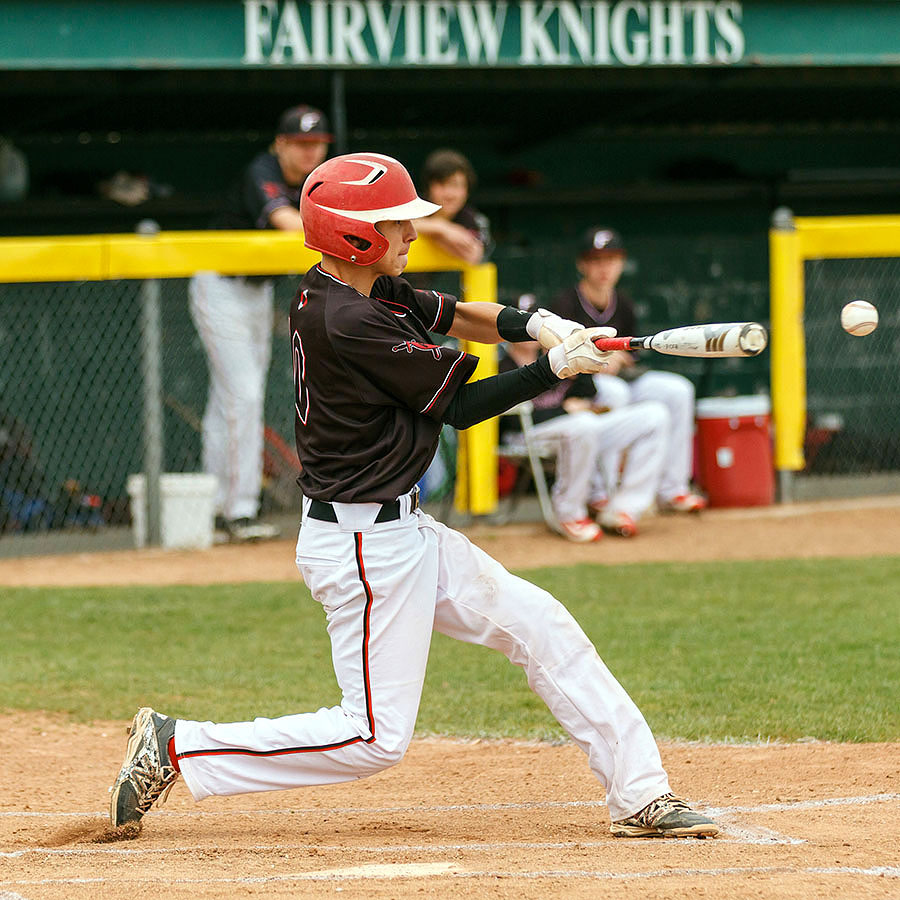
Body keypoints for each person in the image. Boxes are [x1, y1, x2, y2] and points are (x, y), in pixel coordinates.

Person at [109, 152, 719, 841]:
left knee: (542, 626)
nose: (410, 234)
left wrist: (539, 323)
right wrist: (551, 368)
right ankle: (175, 746)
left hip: (401, 531)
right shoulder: (348, 319)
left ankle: (641, 794)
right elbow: (460, 406)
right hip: (367, 546)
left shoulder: (350, 286)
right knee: (372, 738)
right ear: (354, 235)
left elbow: (459, 313)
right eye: (397, 224)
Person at [188, 104, 332, 542]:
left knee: (227, 400)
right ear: (281, 144)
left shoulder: (318, 181)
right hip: (220, 285)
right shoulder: (262, 169)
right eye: (301, 144)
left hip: (257, 292)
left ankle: (218, 505)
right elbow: (288, 223)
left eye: (318, 145)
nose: (310, 154)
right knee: (244, 393)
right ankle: (241, 508)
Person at [550, 227, 707, 514]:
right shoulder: (565, 303)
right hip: (583, 386)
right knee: (614, 392)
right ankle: (601, 492)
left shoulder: (623, 303)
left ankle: (673, 488)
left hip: (620, 378)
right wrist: (598, 362)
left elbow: (628, 358)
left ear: (621, 263)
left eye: (611, 260)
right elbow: (557, 360)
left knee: (678, 390)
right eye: (596, 260)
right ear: (582, 264)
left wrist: (619, 359)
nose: (604, 268)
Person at [501, 340, 668, 541]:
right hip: (527, 434)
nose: (528, 338)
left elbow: (588, 392)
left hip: (575, 428)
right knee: (584, 423)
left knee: (654, 416)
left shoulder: (549, 358)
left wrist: (576, 369)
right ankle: (569, 514)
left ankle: (624, 509)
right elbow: (510, 422)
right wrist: (564, 410)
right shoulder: (504, 366)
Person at [412, 148, 491, 265]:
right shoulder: (411, 209)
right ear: (428, 187)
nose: (449, 194)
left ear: (467, 190)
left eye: (456, 185)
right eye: (442, 185)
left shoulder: (476, 220)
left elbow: (474, 255)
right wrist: (441, 228)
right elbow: (398, 224)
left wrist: (434, 234)